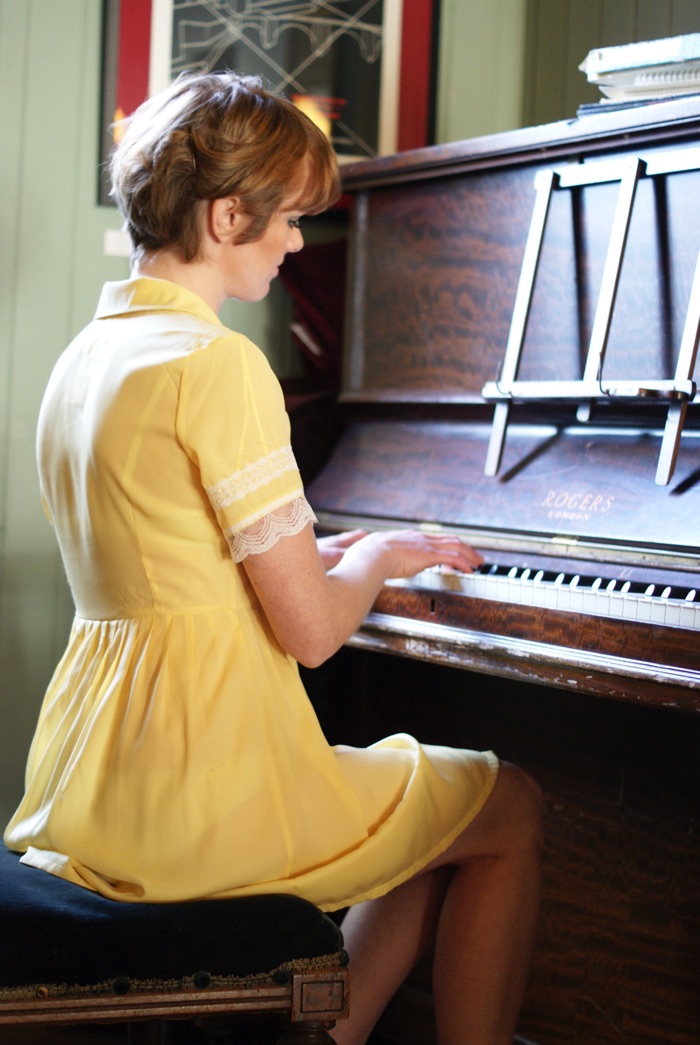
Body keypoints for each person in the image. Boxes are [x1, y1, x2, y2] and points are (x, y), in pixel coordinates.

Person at [3, 71, 542, 1044]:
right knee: (509, 805)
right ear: (223, 218)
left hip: (100, 780)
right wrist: (374, 552)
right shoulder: (215, 364)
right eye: (289, 219)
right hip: (207, 788)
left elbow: (168, 556)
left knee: (419, 819)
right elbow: (310, 631)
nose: (298, 242)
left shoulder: (91, 354)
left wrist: (320, 547)